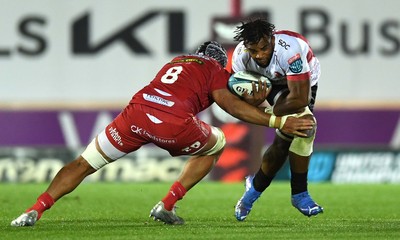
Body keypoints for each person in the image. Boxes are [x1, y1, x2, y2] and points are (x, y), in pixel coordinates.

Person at [11, 41, 315, 227]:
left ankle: (32, 211)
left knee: (83, 163)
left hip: (135, 114)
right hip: (172, 121)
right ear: (220, 63)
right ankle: (167, 205)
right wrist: (276, 120)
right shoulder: (216, 71)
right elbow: (231, 106)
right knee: (217, 143)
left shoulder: (176, 62)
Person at [232, 19, 324, 221]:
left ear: (272, 39)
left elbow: (300, 99)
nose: (259, 55)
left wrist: (269, 113)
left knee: (286, 140)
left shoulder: (289, 50)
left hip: (302, 85)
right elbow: (238, 103)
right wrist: (254, 103)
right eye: (253, 50)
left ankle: (252, 192)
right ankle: (299, 195)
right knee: (306, 127)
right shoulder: (240, 57)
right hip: (271, 85)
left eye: (264, 48)